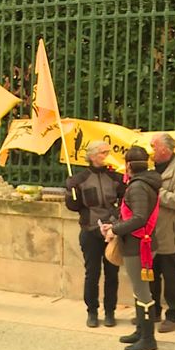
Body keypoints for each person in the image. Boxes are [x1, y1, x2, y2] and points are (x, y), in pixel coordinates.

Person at [102, 146, 162, 350]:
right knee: (139, 288)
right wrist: (115, 225)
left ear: (128, 165)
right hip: (141, 242)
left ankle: (148, 338)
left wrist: (115, 231)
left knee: (142, 291)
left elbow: (139, 218)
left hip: (138, 245)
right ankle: (140, 331)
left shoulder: (137, 187)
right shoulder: (145, 183)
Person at [65, 140, 126, 328]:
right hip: (90, 231)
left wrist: (114, 220)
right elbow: (73, 206)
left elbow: (124, 201)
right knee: (92, 273)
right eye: (102, 152)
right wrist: (70, 192)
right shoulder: (80, 179)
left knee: (112, 273)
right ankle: (92, 311)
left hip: (111, 231)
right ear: (92, 156)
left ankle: (110, 311)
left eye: (107, 151)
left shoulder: (115, 177)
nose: (106, 154)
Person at [149, 133, 175, 333]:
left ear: (165, 150)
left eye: (154, 147)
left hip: (170, 234)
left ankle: (174, 315)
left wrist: (158, 193)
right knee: (151, 273)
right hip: (151, 232)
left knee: (171, 275)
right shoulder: (151, 167)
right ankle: (154, 311)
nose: (151, 151)